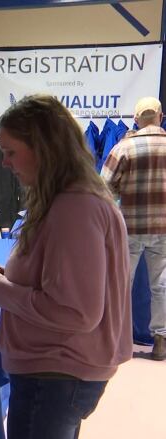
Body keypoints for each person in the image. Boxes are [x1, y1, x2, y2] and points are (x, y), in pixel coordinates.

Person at [0, 95, 132, 438]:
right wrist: (11, 279)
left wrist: (2, 291)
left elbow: (75, 312)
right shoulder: (73, 199)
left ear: (44, 148)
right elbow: (65, 283)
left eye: (10, 151)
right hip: (59, 373)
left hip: (56, 375)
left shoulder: (74, 208)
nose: (4, 163)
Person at [101, 96, 166, 361]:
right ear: (160, 117)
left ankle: (117, 343)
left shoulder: (124, 147)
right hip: (163, 227)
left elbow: (102, 186)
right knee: (161, 285)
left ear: (137, 120)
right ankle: (160, 341)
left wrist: (120, 192)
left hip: (129, 227)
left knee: (120, 285)